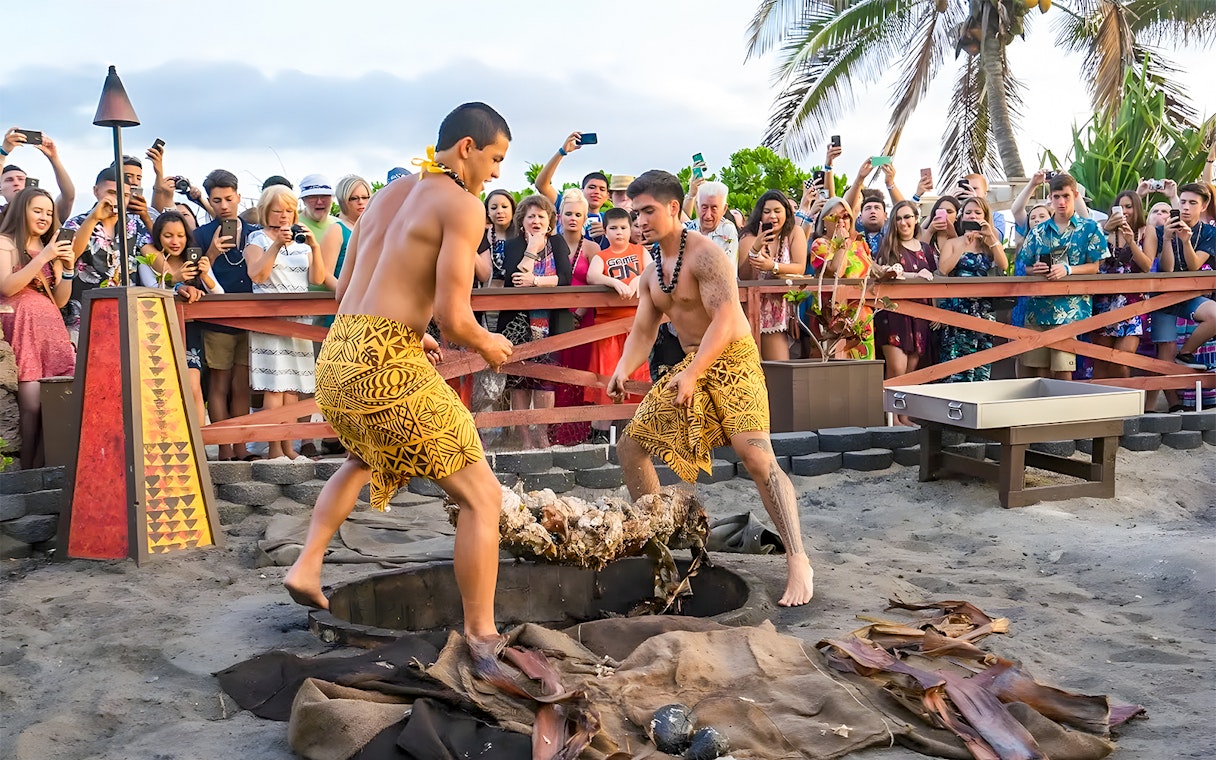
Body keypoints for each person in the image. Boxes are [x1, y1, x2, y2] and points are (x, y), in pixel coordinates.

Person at [283, 104, 514, 666]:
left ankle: (307, 562)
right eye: (496, 159)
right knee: (483, 498)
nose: (498, 174)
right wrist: (487, 344)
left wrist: (413, 334)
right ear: (466, 148)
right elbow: (456, 317)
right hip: (383, 361)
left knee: (366, 455)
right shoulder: (462, 204)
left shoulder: (385, 195)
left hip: (340, 352)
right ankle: (482, 636)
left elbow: (345, 290)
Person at [606, 169, 813, 607]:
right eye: (634, 212)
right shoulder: (650, 274)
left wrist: (696, 371)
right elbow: (643, 331)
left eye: (647, 211)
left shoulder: (706, 255)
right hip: (690, 364)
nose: (639, 221)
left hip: (733, 360)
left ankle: (798, 559)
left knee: (756, 456)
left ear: (674, 209)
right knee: (630, 447)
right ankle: (658, 547)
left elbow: (726, 317)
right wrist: (624, 368)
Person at [244, 186, 326, 460]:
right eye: (278, 210)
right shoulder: (257, 238)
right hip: (270, 319)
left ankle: (289, 448)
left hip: (299, 320)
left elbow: (317, 278)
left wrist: (314, 246)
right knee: (274, 386)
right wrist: (277, 244)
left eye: (289, 210)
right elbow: (257, 275)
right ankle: (273, 450)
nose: (284, 216)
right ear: (266, 210)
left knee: (293, 388)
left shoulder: (301, 241)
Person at [0, 188, 76, 469]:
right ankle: (25, 470)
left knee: (55, 403)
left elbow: (59, 299)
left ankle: (46, 467)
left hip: (51, 329)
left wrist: (67, 269)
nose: (45, 217)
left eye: (49, 212)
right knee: (30, 405)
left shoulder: (49, 249)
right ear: (22, 211)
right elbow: (7, 286)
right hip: (21, 326)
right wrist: (44, 256)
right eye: (37, 210)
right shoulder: (5, 242)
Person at [495, 194, 573, 449]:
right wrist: (532, 249)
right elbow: (515, 278)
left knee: (545, 381)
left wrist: (536, 281)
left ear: (550, 220)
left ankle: (542, 436)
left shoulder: (559, 242)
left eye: (541, 216)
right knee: (519, 382)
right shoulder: (513, 245)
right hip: (518, 323)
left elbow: (564, 278)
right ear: (522, 220)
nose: (536, 220)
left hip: (552, 323)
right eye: (531, 216)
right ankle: (525, 440)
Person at [194, 169, 259, 461]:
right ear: (209, 200)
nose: (223, 205)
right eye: (216, 200)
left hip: (250, 316)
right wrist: (212, 252)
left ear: (238, 197)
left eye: (228, 199)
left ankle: (242, 447)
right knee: (219, 383)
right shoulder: (201, 234)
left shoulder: (254, 231)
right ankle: (224, 448)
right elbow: (195, 275)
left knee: (241, 383)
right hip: (216, 317)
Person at [1016, 174, 1107, 380]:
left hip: (1070, 308)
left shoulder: (1090, 228)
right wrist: (1036, 269)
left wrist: (1069, 270)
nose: (1061, 202)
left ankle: (1062, 411)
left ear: (1075, 195)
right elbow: (1026, 267)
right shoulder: (1038, 230)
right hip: (1037, 308)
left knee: (1063, 366)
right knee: (1037, 367)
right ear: (1050, 198)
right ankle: (1041, 411)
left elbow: (1095, 267)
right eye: (1056, 196)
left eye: (1065, 196)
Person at [62, 166, 162, 342]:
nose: (117, 199)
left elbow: (157, 260)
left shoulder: (134, 226)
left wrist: (176, 279)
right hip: (84, 315)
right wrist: (93, 219)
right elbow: (69, 257)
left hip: (125, 314)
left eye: (123, 195)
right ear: (96, 191)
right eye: (111, 192)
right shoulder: (76, 223)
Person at [152, 210, 224, 424]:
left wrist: (204, 276)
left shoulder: (195, 260)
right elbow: (150, 289)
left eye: (181, 235)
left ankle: (200, 445)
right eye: (168, 236)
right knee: (163, 389)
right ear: (158, 237)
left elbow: (218, 294)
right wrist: (176, 281)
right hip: (158, 331)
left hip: (190, 331)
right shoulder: (150, 260)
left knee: (193, 385)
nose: (175, 241)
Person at [1144, 182, 1216, 393]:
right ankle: (1159, 406)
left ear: (1203, 206)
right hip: (1163, 296)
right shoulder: (1159, 230)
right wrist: (1167, 239)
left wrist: (1186, 242)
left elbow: (1194, 266)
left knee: (1215, 315)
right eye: (1182, 201)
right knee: (1164, 354)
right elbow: (1166, 269)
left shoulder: (1210, 232)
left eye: (1192, 203)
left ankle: (1185, 353)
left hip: (1190, 295)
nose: (1185, 207)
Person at [585, 206, 647, 443]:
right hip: (607, 329)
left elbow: (652, 270)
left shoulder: (640, 251)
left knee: (637, 382)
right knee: (604, 382)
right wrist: (614, 282)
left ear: (631, 229)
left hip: (636, 327)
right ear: (606, 230)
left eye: (623, 227)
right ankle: (599, 441)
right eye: (613, 228)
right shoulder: (602, 255)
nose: (619, 232)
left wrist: (637, 280)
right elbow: (592, 276)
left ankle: (633, 440)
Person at [873, 200, 935, 414]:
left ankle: (904, 415)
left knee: (911, 370)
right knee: (897, 369)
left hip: (920, 315)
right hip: (894, 314)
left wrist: (934, 310)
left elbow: (934, 281)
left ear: (916, 219)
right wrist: (912, 276)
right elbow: (880, 272)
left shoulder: (926, 249)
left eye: (907, 217)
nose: (903, 222)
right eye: (898, 218)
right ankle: (892, 419)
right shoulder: (888, 246)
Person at [937, 196, 1008, 382]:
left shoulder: (988, 246)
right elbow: (943, 269)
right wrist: (963, 245)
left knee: (981, 364)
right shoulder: (953, 242)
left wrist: (990, 235)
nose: (973, 216)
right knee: (955, 363)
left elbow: (1004, 264)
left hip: (983, 309)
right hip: (957, 307)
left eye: (978, 213)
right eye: (968, 212)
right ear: (961, 217)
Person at [552, 188, 599, 446]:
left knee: (580, 373)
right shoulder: (551, 243)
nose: (572, 218)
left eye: (577, 214)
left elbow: (594, 282)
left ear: (584, 218)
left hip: (584, 320)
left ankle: (578, 433)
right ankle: (554, 433)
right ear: (559, 215)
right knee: (555, 373)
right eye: (568, 213)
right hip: (555, 318)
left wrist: (580, 313)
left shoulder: (592, 247)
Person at [738, 190, 808, 361]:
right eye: (767, 211)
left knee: (779, 368)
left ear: (786, 212)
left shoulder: (794, 233)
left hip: (783, 309)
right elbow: (744, 276)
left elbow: (800, 268)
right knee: (756, 367)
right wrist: (755, 248)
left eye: (777, 211)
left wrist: (773, 266)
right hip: (754, 310)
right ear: (760, 214)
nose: (773, 216)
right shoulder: (749, 237)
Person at [1091, 191, 1152, 380]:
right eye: (1121, 207)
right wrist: (1105, 233)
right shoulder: (1102, 228)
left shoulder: (1146, 230)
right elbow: (1094, 261)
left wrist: (1132, 242)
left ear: (1137, 208)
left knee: (1122, 359)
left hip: (1132, 302)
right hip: (1103, 301)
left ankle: (1126, 403)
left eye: (1129, 206)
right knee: (1101, 359)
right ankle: (1100, 405)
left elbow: (1147, 265)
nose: (1125, 211)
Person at [807, 198, 875, 360]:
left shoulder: (860, 244)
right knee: (834, 372)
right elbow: (837, 270)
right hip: (831, 318)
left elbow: (873, 269)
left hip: (861, 316)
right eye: (834, 217)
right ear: (824, 222)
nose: (841, 221)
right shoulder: (820, 244)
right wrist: (842, 244)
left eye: (845, 216)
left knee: (864, 371)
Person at [535, 132, 610, 243]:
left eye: (602, 189)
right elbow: (542, 185)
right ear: (581, 191)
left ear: (608, 196)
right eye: (592, 187)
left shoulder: (608, 220)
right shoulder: (565, 204)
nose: (596, 192)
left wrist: (608, 231)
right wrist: (562, 151)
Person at [0, 128, 76, 225]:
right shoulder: (2, 214)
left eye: (21, 179)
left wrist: (54, 158)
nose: (16, 183)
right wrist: (3, 152)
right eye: (9, 180)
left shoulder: (45, 214)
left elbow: (68, 196)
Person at [683, 180, 738, 259]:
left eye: (714, 208)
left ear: (724, 209)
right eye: (704, 208)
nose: (708, 215)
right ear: (698, 207)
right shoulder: (686, 229)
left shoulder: (727, 229)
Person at [475, 189, 516, 287]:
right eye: (494, 208)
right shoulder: (480, 235)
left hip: (515, 293)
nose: (499, 211)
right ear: (488, 212)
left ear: (513, 210)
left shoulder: (523, 235)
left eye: (504, 207)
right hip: (487, 292)